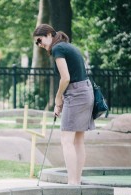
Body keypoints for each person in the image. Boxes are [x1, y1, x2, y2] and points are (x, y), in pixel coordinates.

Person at [33, 24, 95, 185]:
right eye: (36, 43)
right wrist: (61, 99)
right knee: (78, 140)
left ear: (48, 34)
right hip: (86, 91)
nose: (39, 44)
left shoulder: (57, 49)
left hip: (76, 94)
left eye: (39, 40)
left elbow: (65, 78)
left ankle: (72, 183)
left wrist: (57, 98)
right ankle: (76, 181)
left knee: (66, 140)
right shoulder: (66, 46)